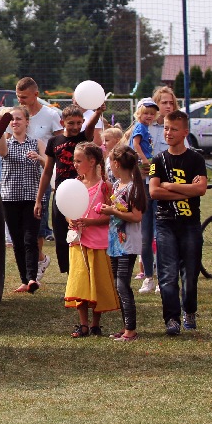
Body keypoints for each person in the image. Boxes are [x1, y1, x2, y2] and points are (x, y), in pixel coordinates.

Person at [149, 109, 207, 336]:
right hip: (165, 223)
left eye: (173, 129)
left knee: (190, 274)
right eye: (165, 128)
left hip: (190, 224)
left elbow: (200, 189)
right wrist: (187, 190)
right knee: (167, 274)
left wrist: (170, 185)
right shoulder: (158, 160)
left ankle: (189, 310)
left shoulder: (196, 159)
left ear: (185, 132)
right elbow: (154, 192)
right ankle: (171, 319)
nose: (168, 133)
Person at [35, 104, 103, 274]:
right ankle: (69, 274)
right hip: (61, 195)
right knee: (61, 236)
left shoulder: (83, 139)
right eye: (71, 123)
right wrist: (39, 200)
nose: (75, 127)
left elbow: (90, 127)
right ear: (62, 122)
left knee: (81, 233)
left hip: (81, 194)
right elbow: (47, 172)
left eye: (79, 123)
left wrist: (98, 112)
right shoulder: (54, 142)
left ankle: (83, 271)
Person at [64, 142, 119, 337]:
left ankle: (96, 324)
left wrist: (90, 222)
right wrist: (71, 221)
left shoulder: (105, 187)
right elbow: (67, 210)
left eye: (79, 161)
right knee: (80, 283)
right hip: (78, 242)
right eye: (74, 160)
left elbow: (111, 216)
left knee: (98, 284)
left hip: (98, 243)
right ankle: (83, 324)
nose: (75, 164)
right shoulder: (74, 185)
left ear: (92, 161)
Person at [16, 77, 64, 279]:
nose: (21, 101)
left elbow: (61, 143)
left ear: (36, 94)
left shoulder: (51, 115)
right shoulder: (18, 116)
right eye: (18, 97)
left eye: (24, 97)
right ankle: (41, 259)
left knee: (37, 224)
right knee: (21, 227)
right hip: (19, 177)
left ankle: (35, 266)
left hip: (42, 177)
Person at [0, 105, 45, 293]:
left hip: (32, 198)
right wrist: (1, 126)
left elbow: (48, 165)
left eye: (18, 119)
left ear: (27, 122)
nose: (15, 122)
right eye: (12, 120)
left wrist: (39, 158)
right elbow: (2, 152)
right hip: (10, 198)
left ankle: (32, 278)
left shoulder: (36, 143)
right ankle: (25, 280)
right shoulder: (7, 142)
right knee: (17, 240)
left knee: (30, 239)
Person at [101, 144, 145, 342]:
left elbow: (136, 216)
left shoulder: (133, 187)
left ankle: (131, 330)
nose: (109, 165)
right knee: (118, 285)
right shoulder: (118, 185)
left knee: (123, 285)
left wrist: (112, 211)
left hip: (127, 245)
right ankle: (126, 326)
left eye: (110, 162)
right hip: (115, 243)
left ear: (117, 164)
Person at [138, 86, 180, 291]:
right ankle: (148, 276)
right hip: (146, 188)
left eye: (171, 103)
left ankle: (165, 277)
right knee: (145, 235)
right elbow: (131, 150)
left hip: (165, 188)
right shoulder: (144, 126)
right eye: (164, 102)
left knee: (163, 234)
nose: (168, 106)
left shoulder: (177, 128)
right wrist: (140, 167)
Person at [129, 99, 158, 170]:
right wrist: (143, 158)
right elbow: (136, 144)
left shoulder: (145, 126)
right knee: (149, 174)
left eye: (152, 114)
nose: (149, 116)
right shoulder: (140, 126)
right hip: (142, 159)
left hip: (148, 157)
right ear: (139, 114)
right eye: (146, 113)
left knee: (153, 172)